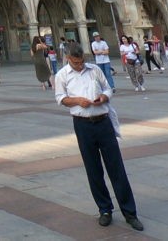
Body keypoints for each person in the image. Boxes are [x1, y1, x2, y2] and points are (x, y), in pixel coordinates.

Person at [54, 44, 143, 232]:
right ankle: (105, 210)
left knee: (116, 167)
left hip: (103, 123)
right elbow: (60, 98)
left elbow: (108, 88)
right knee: (93, 169)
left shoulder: (94, 70)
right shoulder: (62, 74)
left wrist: (104, 97)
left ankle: (130, 212)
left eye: (81, 62)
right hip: (82, 124)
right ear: (68, 58)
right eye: (76, 63)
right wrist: (77, 100)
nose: (79, 66)